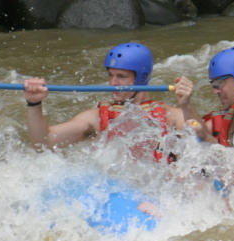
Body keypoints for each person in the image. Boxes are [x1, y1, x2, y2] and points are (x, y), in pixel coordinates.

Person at [22, 42, 199, 159]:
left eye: (121, 77)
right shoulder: (95, 119)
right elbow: (43, 144)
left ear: (142, 78)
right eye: (111, 75)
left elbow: (203, 138)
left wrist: (186, 105)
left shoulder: (171, 116)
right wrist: (34, 103)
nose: (113, 83)